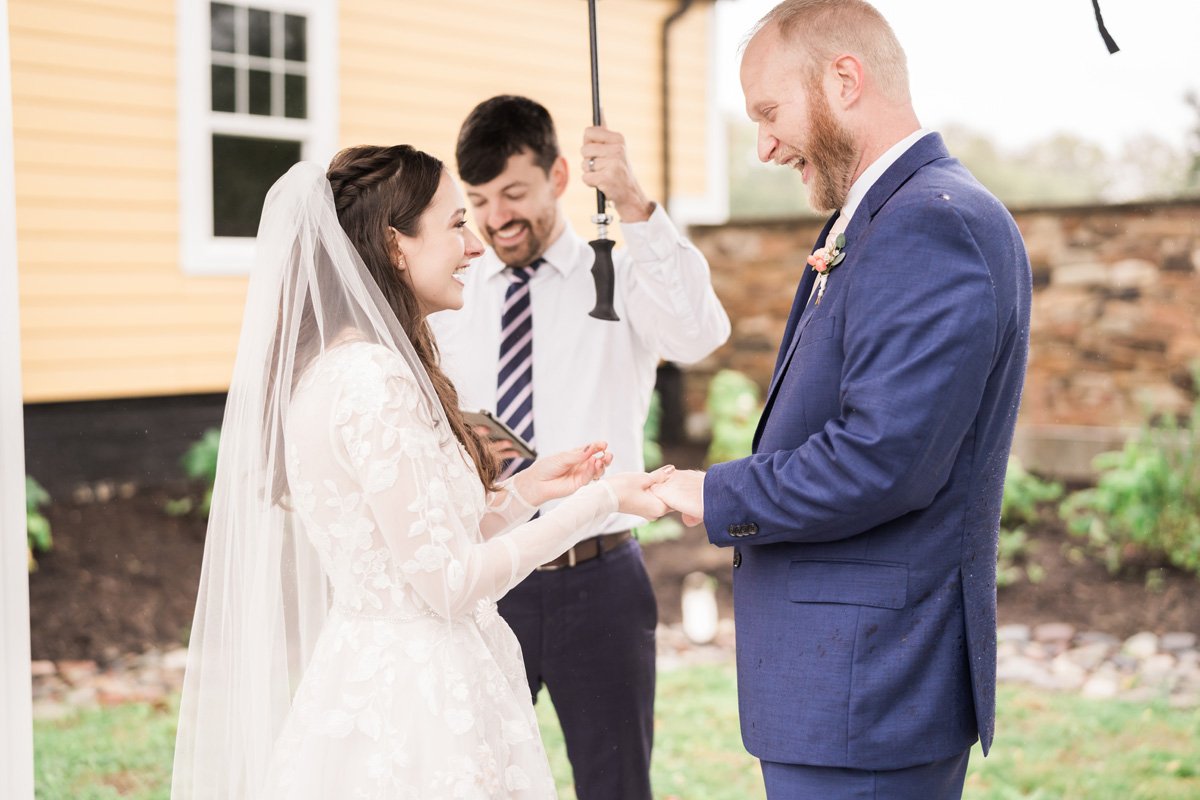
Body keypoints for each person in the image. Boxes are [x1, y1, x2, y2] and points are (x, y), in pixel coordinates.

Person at [170, 145, 675, 800]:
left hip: (381, 672)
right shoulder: (371, 379)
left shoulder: (345, 365)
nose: (474, 247)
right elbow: (447, 582)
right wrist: (603, 500)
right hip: (418, 702)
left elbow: (416, 539)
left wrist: (526, 491)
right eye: (456, 224)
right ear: (396, 245)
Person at [651, 1, 1032, 797]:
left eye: (768, 111)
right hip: (846, 689)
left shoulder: (930, 224)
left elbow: (882, 460)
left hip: (870, 689)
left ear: (844, 79)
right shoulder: (889, 217)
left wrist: (711, 490)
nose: (761, 145)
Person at [428, 95, 730, 800]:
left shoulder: (619, 275)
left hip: (599, 582)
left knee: (615, 785)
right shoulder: (453, 294)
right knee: (475, 782)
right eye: (477, 200)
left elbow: (697, 334)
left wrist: (631, 197)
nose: (496, 218)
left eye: (514, 194)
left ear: (560, 175)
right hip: (489, 580)